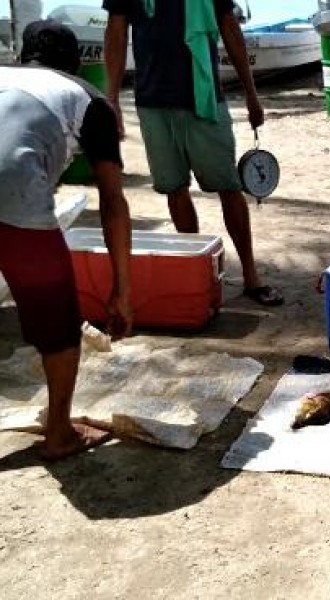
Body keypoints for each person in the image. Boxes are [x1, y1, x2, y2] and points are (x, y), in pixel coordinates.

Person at [0, 20, 133, 459]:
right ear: (76, 65)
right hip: (15, 201)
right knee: (58, 326)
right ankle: (59, 432)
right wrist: (122, 291)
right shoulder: (86, 98)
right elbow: (113, 202)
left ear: (22, 56)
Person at [103, 0, 283, 306]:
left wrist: (252, 95)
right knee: (174, 189)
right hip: (152, 103)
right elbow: (116, 34)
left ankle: (252, 277)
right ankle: (196, 274)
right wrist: (112, 100)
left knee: (229, 186)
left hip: (205, 99)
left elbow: (230, 28)